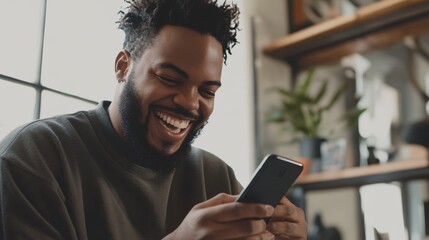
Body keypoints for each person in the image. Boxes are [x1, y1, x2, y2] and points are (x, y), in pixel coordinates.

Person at [0, 0, 307, 239]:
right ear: (123, 66)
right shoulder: (34, 158)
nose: (189, 102)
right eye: (169, 78)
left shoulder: (216, 178)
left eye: (207, 91)